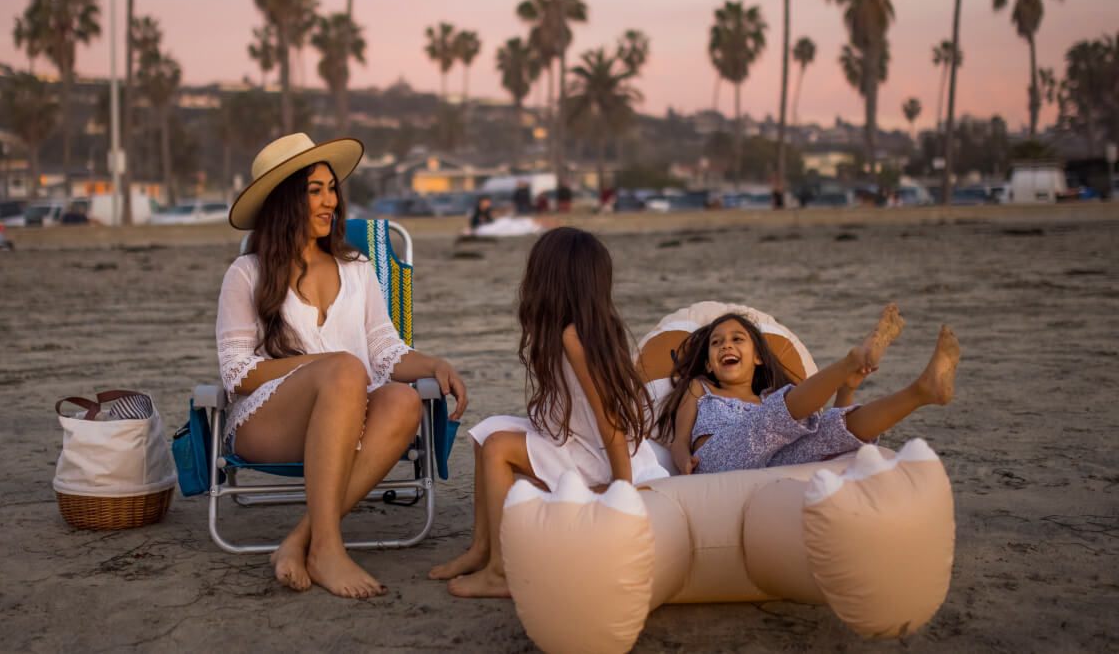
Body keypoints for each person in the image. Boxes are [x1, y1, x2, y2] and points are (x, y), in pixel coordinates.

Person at [216, 133, 468, 599]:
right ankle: (328, 548)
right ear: (285, 200)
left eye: (332, 188)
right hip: (270, 421)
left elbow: (386, 351)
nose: (330, 201)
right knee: (346, 370)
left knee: (400, 400)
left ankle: (300, 541)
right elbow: (237, 372)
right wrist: (326, 367)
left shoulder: (357, 268)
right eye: (315, 190)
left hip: (348, 414)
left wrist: (437, 363)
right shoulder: (246, 274)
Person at [428, 227, 669, 598]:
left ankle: (501, 571)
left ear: (552, 281)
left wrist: (624, 491)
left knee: (497, 447)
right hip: (577, 440)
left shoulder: (575, 338)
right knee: (486, 431)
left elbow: (609, 420)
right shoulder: (572, 331)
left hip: (599, 457)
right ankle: (481, 549)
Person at [657, 305, 960, 475]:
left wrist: (846, 391)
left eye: (738, 339)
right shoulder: (701, 388)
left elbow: (828, 438)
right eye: (717, 342)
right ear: (709, 365)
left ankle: (922, 391)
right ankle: (851, 361)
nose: (726, 345)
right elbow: (680, 440)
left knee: (828, 427)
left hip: (772, 463)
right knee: (771, 418)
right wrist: (683, 458)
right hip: (718, 461)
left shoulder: (767, 398)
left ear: (759, 358)